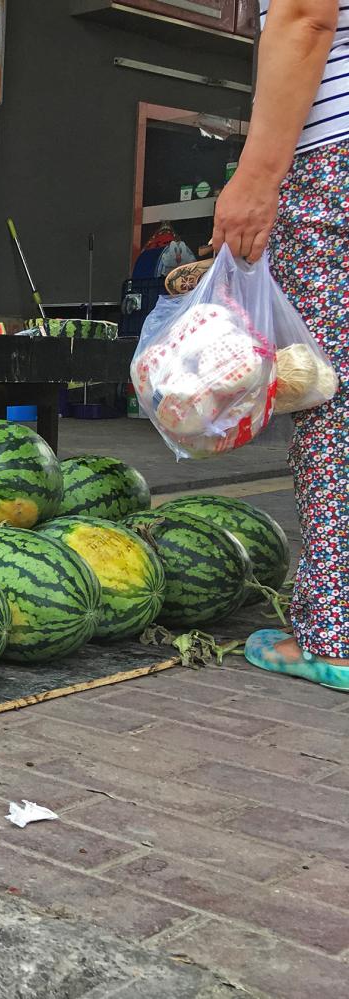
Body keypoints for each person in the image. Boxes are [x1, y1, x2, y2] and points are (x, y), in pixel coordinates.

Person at [216, 0, 349, 691]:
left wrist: (258, 175)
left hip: (334, 161)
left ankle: (335, 635)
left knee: (327, 394)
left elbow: (304, 16)